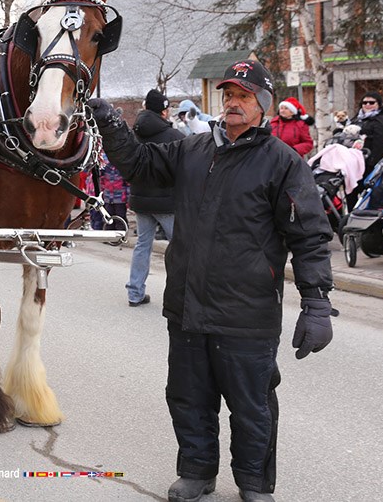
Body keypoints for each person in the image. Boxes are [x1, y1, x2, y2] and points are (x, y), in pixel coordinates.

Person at [89, 59, 334, 502]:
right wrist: (112, 124)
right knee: (187, 397)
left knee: (251, 406)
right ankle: (197, 471)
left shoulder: (282, 163)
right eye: (228, 96)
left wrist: (316, 301)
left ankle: (254, 482)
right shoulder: (193, 149)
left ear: (263, 104)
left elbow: (311, 235)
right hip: (187, 306)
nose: (233, 104)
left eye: (243, 96)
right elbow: (140, 165)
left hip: (246, 314)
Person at [125, 89, 183, 308]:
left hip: (140, 199)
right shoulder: (174, 137)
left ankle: (135, 292)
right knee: (179, 247)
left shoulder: (135, 133)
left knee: (142, 245)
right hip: (167, 200)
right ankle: (180, 295)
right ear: (164, 112)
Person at [352, 91, 383, 166]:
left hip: (367, 159)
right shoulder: (357, 118)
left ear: (379, 104)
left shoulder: (381, 120)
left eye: (371, 103)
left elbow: (381, 143)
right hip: (351, 156)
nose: (368, 105)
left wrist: (372, 161)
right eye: (365, 102)